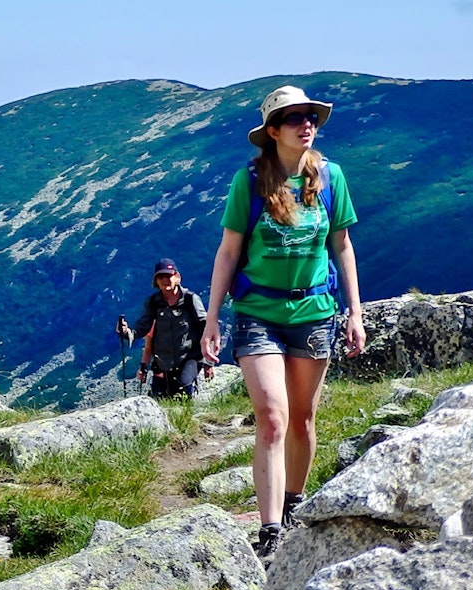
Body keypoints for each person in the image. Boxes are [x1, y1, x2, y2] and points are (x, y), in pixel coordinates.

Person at [200, 86, 366, 565]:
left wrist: (354, 312)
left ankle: (295, 503)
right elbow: (229, 251)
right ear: (273, 131)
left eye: (309, 115)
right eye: (293, 118)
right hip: (258, 313)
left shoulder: (330, 177)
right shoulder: (248, 182)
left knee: (303, 417)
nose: (305, 123)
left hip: (314, 312)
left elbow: (343, 246)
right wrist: (211, 319)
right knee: (273, 417)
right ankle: (269, 529)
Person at [118, 258, 213, 398]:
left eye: (168, 276)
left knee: (184, 390)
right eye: (160, 277)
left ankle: (187, 414)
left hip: (189, 358)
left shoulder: (190, 300)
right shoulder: (153, 303)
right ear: (155, 281)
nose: (165, 280)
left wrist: (208, 362)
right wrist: (126, 332)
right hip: (163, 362)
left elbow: (206, 328)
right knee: (161, 398)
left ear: (177, 277)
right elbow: (142, 327)